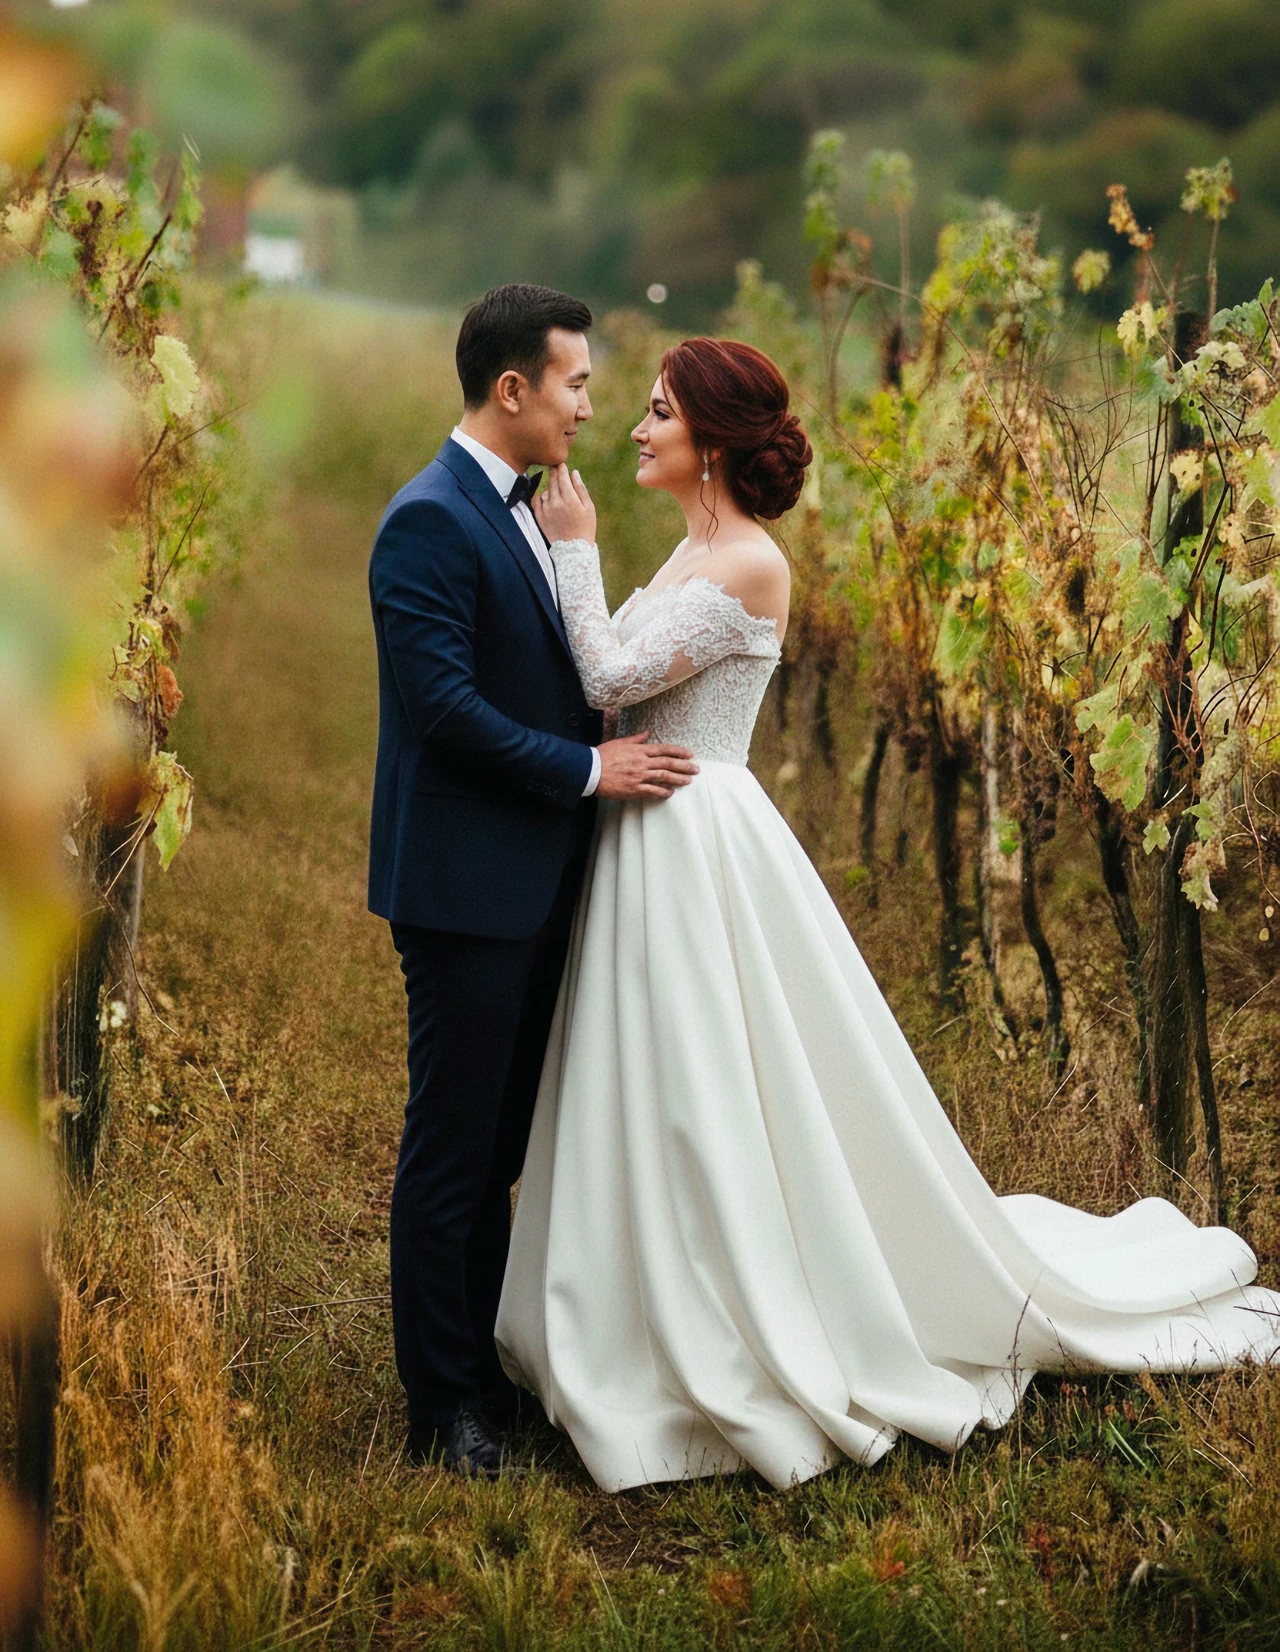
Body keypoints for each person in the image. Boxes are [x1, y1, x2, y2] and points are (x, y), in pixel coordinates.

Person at [494, 333, 1280, 1492]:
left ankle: (715, 1318)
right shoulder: (695, 548)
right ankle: (626, 1306)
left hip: (695, 835)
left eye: (656, 412)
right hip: (651, 829)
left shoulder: (747, 565)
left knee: (707, 1083)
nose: (635, 429)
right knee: (646, 1077)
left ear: (707, 440)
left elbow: (609, 677)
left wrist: (572, 554)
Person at [367, 283, 697, 1479]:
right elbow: (443, 713)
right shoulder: (427, 519)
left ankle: (483, 1368)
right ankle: (440, 1404)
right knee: (452, 1146)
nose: (588, 408)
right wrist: (587, 767)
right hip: (463, 884)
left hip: (537, 873)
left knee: (503, 1139)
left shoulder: (528, 508)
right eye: (575, 384)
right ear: (511, 388)